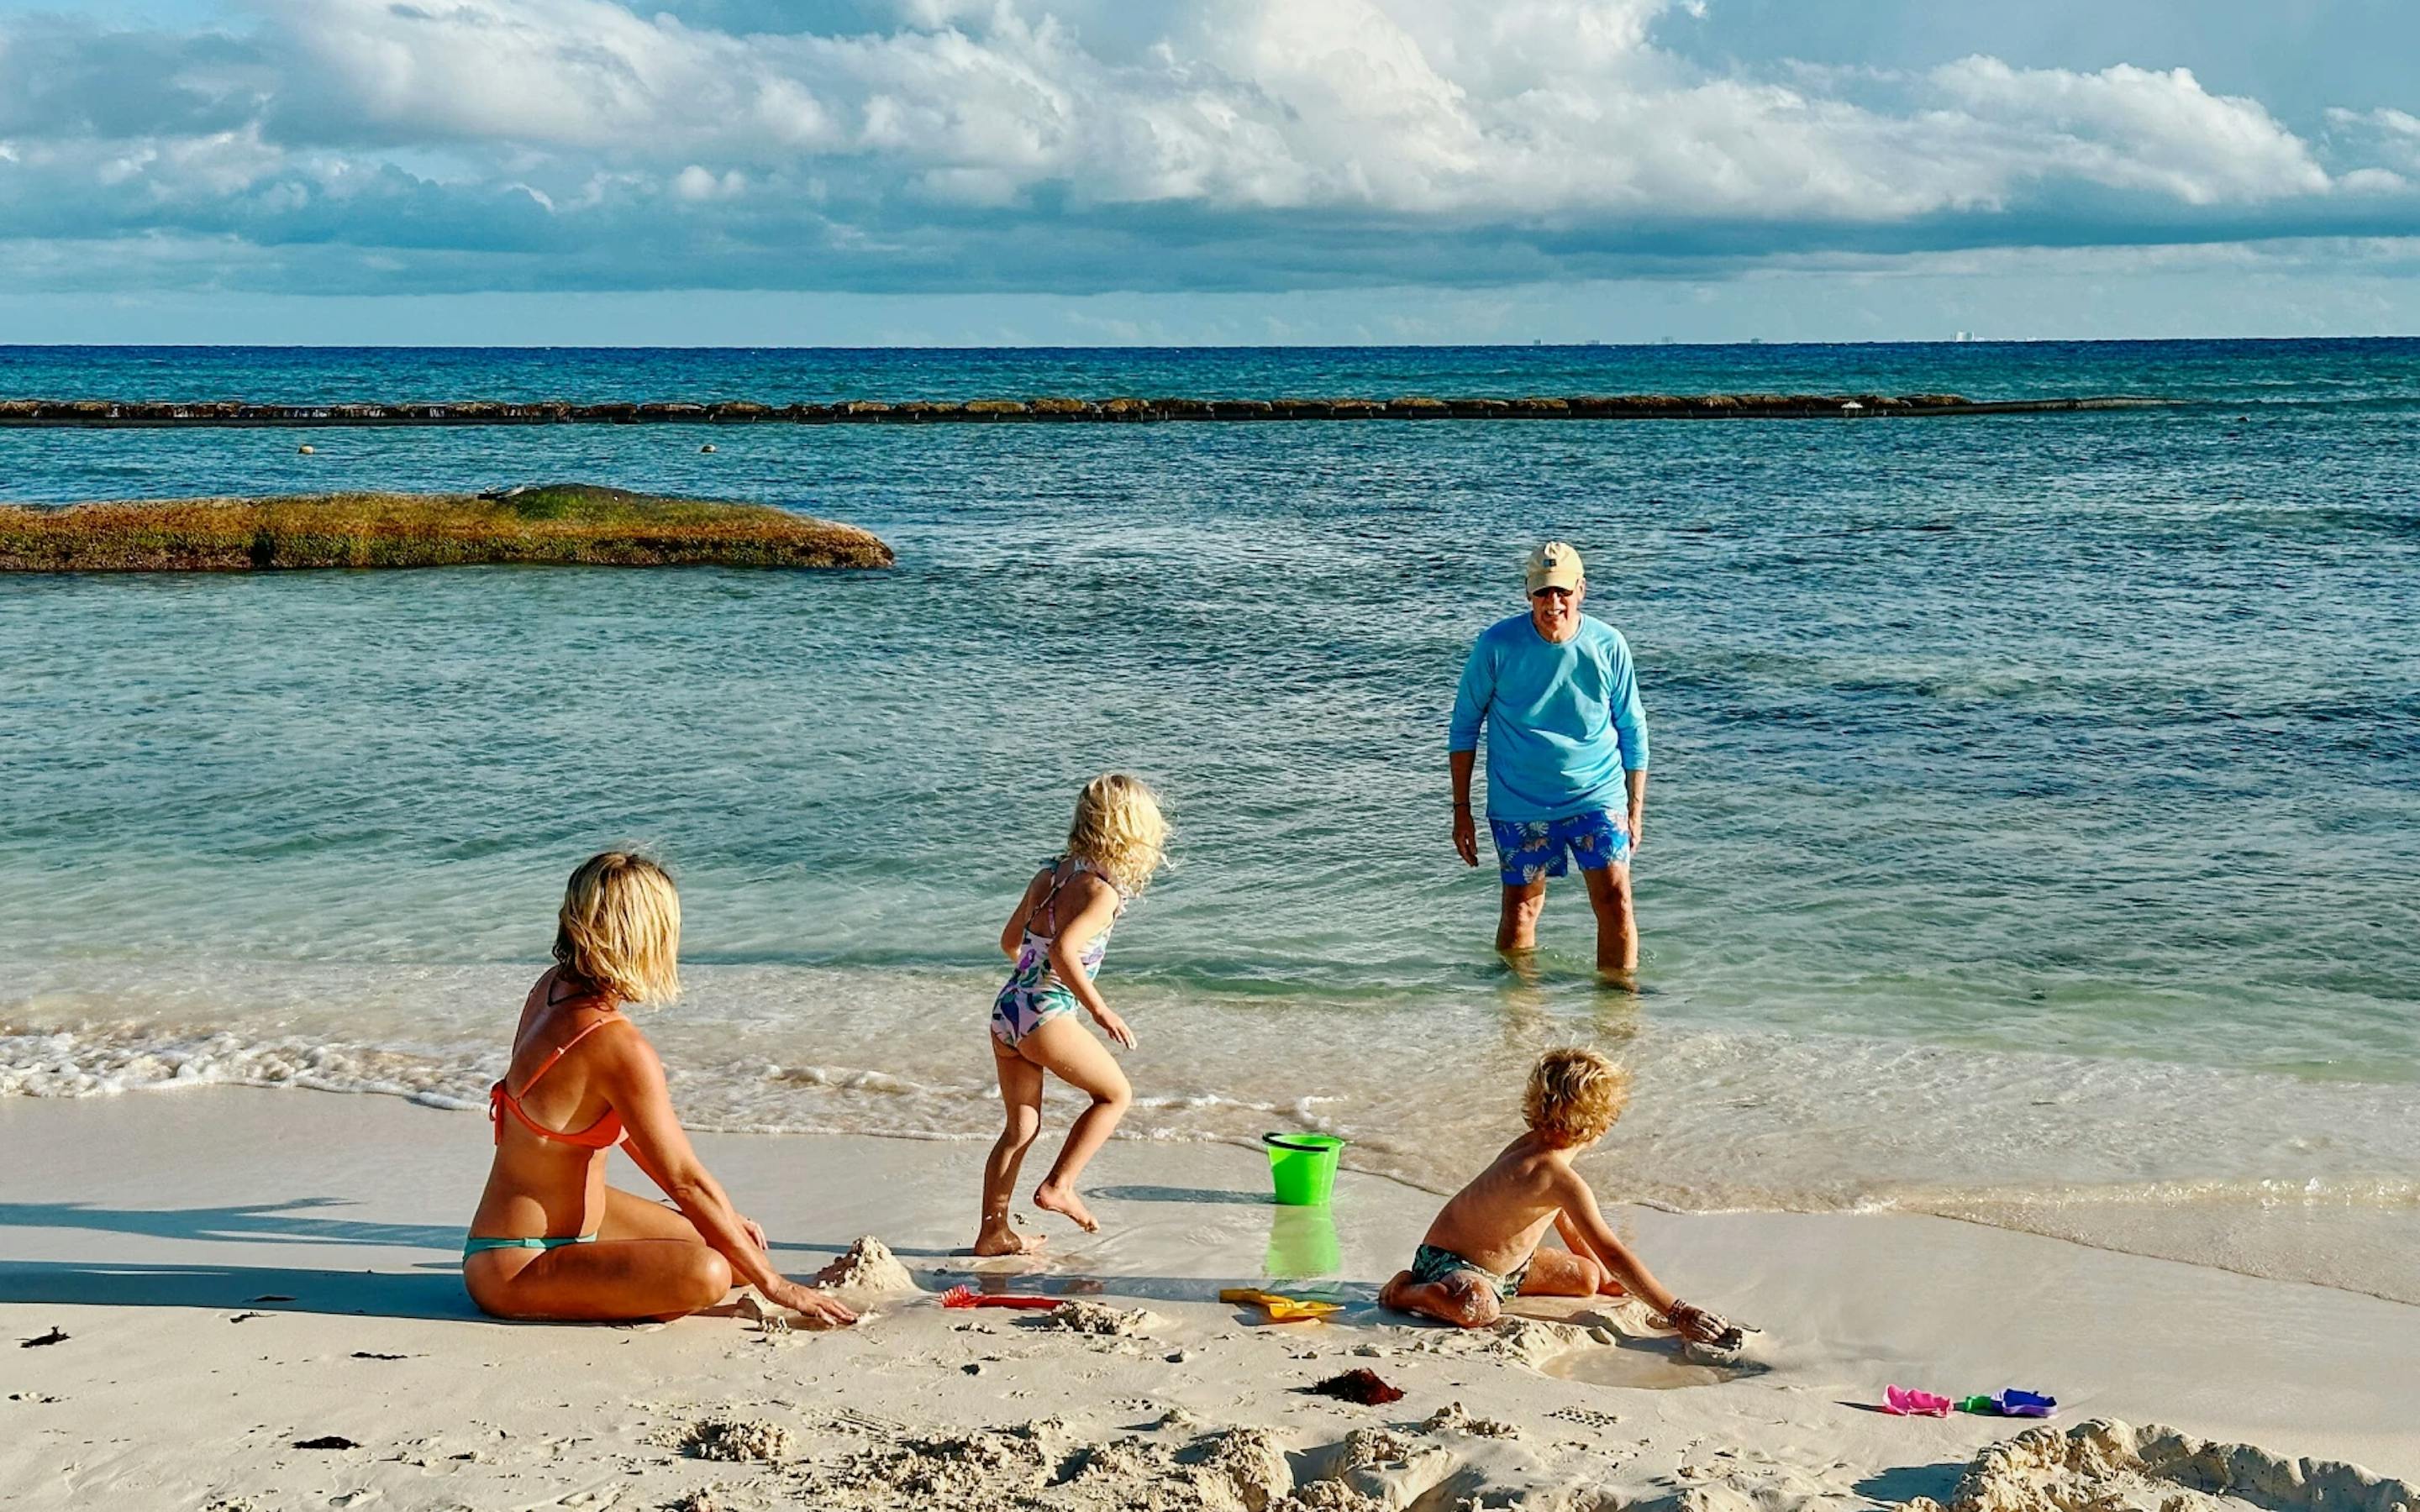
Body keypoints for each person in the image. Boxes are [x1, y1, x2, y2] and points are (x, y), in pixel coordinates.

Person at [464, 852, 855, 1326]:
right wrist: (778, 1285)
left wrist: (726, 1217)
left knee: (736, 1251)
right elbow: (684, 1180)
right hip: (516, 1260)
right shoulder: (615, 1043)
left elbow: (628, 1132)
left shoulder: (551, 989)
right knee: (710, 1273)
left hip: (567, 1222)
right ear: (646, 937)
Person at [1379, 1047, 1741, 1345]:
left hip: (1510, 1270)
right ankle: (1407, 1292)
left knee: (1587, 1278)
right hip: (1448, 1263)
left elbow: (1560, 1215)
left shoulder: (1540, 1154)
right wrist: (1676, 1311)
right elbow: (1613, 1251)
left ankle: (1494, 1287)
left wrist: (1603, 1276)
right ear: (1600, 1124)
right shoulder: (1553, 1173)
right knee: (1480, 1309)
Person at [976, 774, 1170, 1257]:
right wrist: (1099, 1010)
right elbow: (1064, 950)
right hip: (1045, 1011)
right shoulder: (1102, 892)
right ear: (1133, 830)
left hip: (1009, 1008)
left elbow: (1009, 942)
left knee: (1020, 1128)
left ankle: (992, 1232)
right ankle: (1059, 1186)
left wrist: (1032, 979)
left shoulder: (1051, 874)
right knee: (1115, 1095)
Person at [1448, 541, 1651, 974]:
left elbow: (1633, 728)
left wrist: (1635, 808)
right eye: (1542, 592)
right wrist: (1461, 812)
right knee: (1521, 911)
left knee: (1615, 900)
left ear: (1581, 589)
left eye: (1562, 591)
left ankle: (1618, 1012)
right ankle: (1519, 1016)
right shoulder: (1497, 645)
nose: (1552, 603)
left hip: (1597, 795)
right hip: (1520, 801)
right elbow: (1464, 727)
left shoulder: (1608, 645)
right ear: (1528, 593)